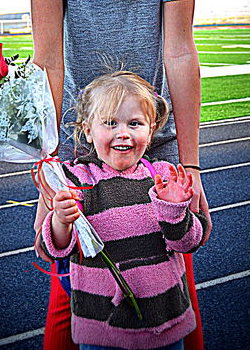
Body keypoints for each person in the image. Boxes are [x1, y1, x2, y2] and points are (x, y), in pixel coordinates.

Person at [24, 0, 212, 350]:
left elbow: (179, 49)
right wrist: (49, 165)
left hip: (149, 141)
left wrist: (191, 165)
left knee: (173, 283)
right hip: (85, 142)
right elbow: (49, 60)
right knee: (73, 293)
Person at [41, 71, 208, 350]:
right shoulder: (75, 181)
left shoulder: (164, 176)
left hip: (166, 325)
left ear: (151, 129)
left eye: (134, 123)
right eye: (110, 123)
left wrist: (175, 211)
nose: (123, 133)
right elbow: (57, 249)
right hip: (102, 330)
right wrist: (61, 220)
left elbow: (189, 243)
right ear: (87, 130)